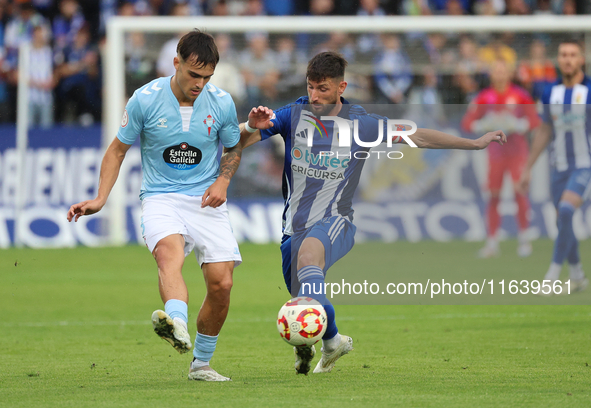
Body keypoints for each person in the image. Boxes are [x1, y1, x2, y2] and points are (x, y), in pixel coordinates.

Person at [240, 51, 506, 375]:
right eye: (310, 87)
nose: (314, 96)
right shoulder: (293, 115)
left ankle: (316, 340)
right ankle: (333, 341)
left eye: (322, 89)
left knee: (309, 261)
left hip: (335, 221)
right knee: (307, 296)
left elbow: (417, 135)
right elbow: (241, 137)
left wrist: (474, 143)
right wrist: (249, 127)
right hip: (291, 230)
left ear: (341, 88)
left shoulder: (362, 124)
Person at [67, 30, 243, 381]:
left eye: (207, 77)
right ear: (176, 62)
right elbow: (117, 150)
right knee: (169, 254)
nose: (200, 84)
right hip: (161, 196)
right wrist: (100, 199)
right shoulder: (144, 100)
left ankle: (201, 365)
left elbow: (234, 146)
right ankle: (176, 322)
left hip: (205, 198)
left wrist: (223, 180)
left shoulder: (221, 101)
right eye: (194, 75)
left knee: (222, 284)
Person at [518, 40, 591, 293]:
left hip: (585, 166)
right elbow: (544, 130)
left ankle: (551, 276)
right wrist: (527, 167)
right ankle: (578, 274)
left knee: (567, 211)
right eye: (563, 55)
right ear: (558, 60)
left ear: (581, 59)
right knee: (563, 221)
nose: (568, 59)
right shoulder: (551, 93)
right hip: (557, 167)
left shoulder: (589, 90)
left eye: (573, 55)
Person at [462, 59, 540, 258]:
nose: (499, 75)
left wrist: (518, 124)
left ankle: (524, 240)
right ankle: (492, 242)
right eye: (496, 71)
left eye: (503, 71)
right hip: (495, 154)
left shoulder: (520, 95)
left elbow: (534, 120)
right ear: (491, 74)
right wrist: (484, 125)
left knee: (519, 192)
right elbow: (467, 122)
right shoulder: (484, 97)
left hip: (517, 152)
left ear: (509, 74)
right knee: (494, 195)